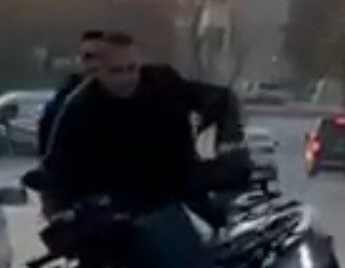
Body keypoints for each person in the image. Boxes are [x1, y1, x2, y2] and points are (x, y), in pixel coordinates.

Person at [41, 32, 244, 215]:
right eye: (116, 71)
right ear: (97, 71)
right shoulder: (78, 109)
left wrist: (227, 149)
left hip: (179, 197)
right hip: (116, 215)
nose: (127, 77)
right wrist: (60, 213)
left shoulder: (163, 83)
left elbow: (221, 100)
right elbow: (56, 169)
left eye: (132, 68)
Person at [37, 29, 105, 156]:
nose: (95, 64)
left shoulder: (132, 98)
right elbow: (47, 143)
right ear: (80, 60)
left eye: (101, 57)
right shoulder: (64, 102)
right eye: (88, 57)